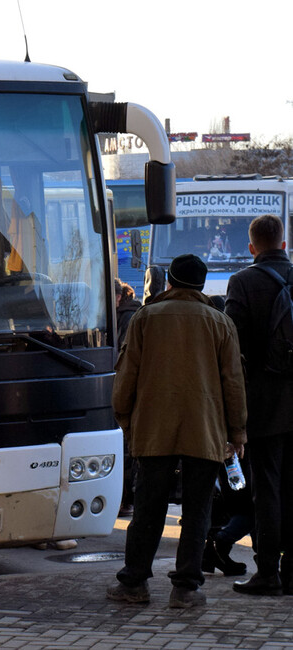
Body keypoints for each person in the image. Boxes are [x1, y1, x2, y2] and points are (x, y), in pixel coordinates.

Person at [107, 254, 247, 608]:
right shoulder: (220, 322)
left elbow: (127, 376)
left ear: (169, 280)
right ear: (201, 285)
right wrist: (238, 433)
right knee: (198, 509)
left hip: (153, 428)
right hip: (205, 428)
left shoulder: (145, 318)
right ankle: (186, 587)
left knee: (148, 509)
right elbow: (233, 382)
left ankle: (134, 582)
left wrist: (124, 417)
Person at [225, 213, 293, 596]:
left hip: (264, 406)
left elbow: (232, 345)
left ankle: (267, 572)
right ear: (283, 244)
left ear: (252, 247)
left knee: (266, 489)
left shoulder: (244, 282)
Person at [115, 279, 142, 517]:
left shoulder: (127, 317)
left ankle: (126, 500)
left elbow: (123, 357)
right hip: (129, 389)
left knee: (126, 449)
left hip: (127, 390)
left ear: (118, 297)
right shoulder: (126, 314)